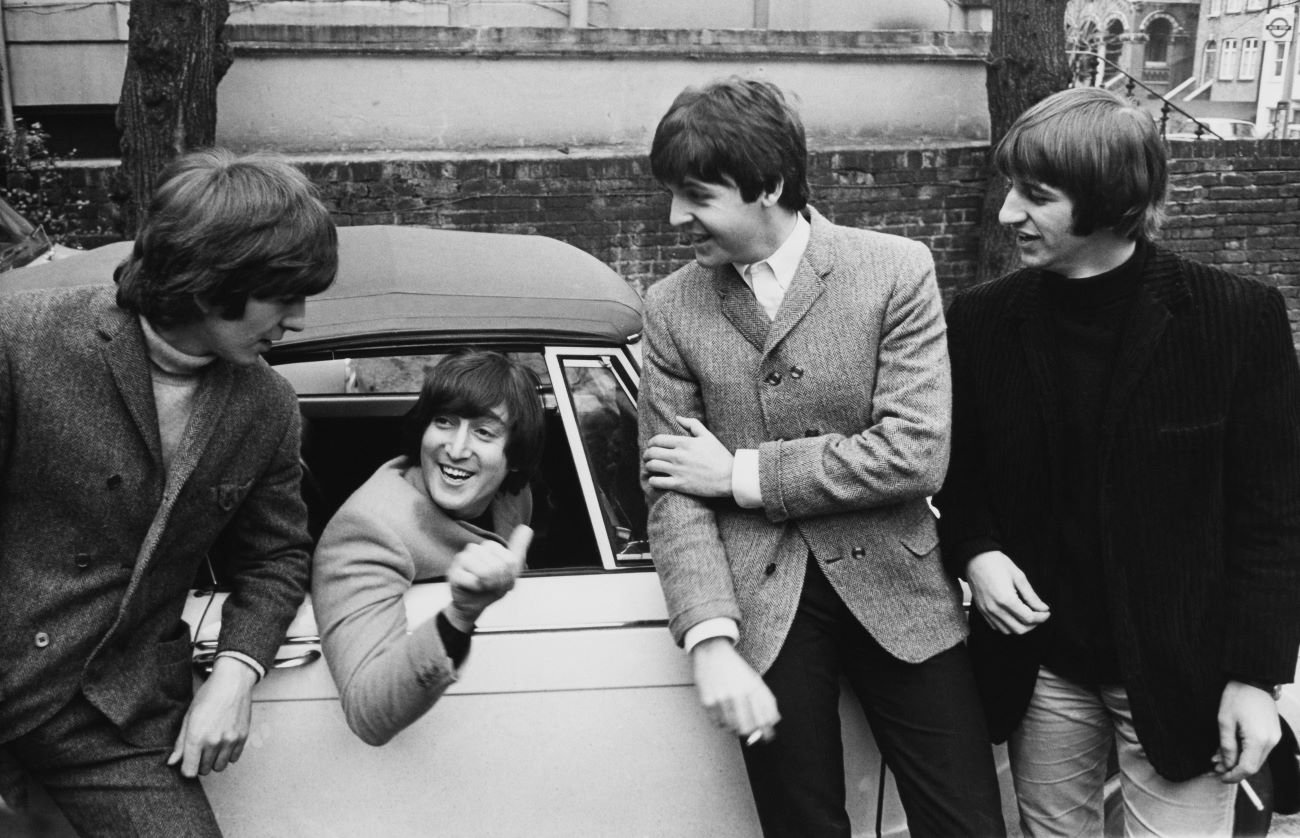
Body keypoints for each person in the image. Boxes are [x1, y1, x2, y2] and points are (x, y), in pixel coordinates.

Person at [638, 76, 1004, 838]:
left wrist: (739, 474)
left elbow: (914, 455)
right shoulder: (671, 307)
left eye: (697, 196)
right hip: (762, 612)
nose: (676, 218)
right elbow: (673, 490)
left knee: (967, 824)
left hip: (903, 596)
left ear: (768, 185)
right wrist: (708, 637)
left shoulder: (895, 270)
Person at [933, 86, 1300, 836]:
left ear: (1110, 200)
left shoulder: (1238, 319)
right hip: (1040, 672)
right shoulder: (980, 321)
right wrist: (976, 552)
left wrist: (1256, 679)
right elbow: (957, 478)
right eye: (1012, 189)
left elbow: (1274, 518)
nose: (1008, 214)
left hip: (1182, 676)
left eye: (1036, 196)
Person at [0, 148, 338, 835]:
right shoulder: (21, 343)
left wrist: (237, 673)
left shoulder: (266, 406)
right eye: (284, 295)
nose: (298, 319)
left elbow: (276, 559)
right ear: (211, 280)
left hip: (117, 716)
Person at [312, 350, 542, 746]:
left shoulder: (513, 495)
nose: (455, 448)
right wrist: (460, 614)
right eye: (444, 422)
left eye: (484, 432)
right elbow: (367, 712)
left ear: (515, 460)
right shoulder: (367, 528)